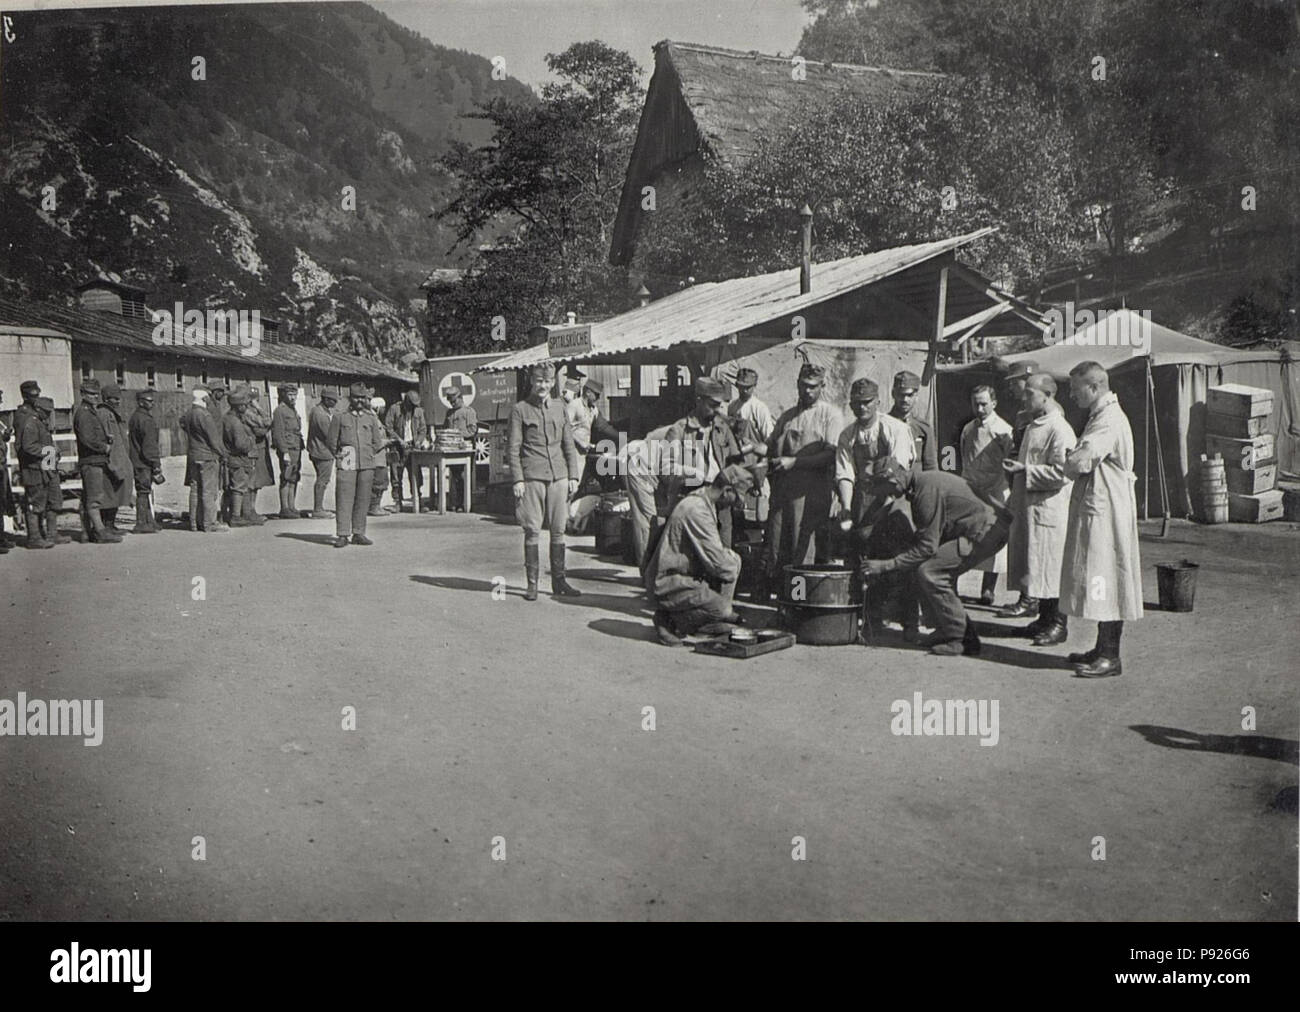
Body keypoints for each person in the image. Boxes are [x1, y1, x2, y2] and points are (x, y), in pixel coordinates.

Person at [860, 460, 1011, 656]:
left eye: (880, 488)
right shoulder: (922, 484)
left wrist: (885, 565)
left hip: (986, 532)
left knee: (932, 572)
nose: (881, 495)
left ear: (893, 480)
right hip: (985, 528)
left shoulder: (925, 492)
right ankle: (946, 630)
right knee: (923, 567)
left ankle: (960, 638)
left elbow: (926, 547)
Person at [1059, 361, 1144, 678]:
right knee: (1101, 576)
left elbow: (1081, 461)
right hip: (1102, 504)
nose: (1071, 395)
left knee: (1108, 577)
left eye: (1074, 388)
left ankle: (1111, 655)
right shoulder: (1102, 416)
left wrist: (1070, 459)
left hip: (1107, 508)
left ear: (1094, 387)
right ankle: (1101, 648)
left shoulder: (1107, 419)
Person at [832, 377, 919, 638]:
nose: (862, 408)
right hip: (863, 499)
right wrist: (847, 508)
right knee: (863, 559)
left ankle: (910, 624)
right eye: (857, 403)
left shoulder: (895, 429)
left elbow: (898, 473)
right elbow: (845, 473)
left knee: (899, 563)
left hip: (895, 499)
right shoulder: (848, 435)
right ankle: (870, 620)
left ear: (878, 402)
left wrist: (882, 511)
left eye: (867, 402)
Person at [1001, 373, 1076, 646]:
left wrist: (1026, 470)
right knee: (1037, 565)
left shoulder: (1060, 429)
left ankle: (1058, 624)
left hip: (1050, 510)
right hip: (1030, 507)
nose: (1025, 397)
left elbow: (1064, 472)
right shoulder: (1033, 425)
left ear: (1048, 395)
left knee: (1052, 566)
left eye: (1030, 393)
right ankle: (1043, 619)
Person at [645, 464, 756, 646]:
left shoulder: (704, 500)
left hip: (683, 575)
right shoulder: (698, 510)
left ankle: (707, 618)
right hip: (668, 582)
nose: (734, 506)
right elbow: (721, 566)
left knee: (732, 562)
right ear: (726, 491)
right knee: (723, 606)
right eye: (735, 500)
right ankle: (667, 619)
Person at [507, 361, 582, 600]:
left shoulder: (560, 407)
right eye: (539, 381)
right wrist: (518, 479)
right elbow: (513, 448)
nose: (543, 386)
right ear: (532, 381)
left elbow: (568, 444)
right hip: (532, 476)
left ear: (553, 383)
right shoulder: (520, 410)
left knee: (559, 530)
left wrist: (573, 475)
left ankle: (559, 581)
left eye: (548, 381)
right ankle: (532, 585)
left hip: (559, 476)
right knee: (532, 530)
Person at [765, 362, 844, 583]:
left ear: (822, 386)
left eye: (812, 386)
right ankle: (782, 602)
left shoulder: (831, 415)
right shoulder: (788, 416)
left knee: (803, 549)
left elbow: (831, 455)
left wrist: (795, 462)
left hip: (811, 494)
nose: (807, 391)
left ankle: (802, 605)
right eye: (803, 385)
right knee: (778, 544)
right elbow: (770, 446)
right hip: (783, 492)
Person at [659, 376, 744, 548]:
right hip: (692, 502)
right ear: (699, 400)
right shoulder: (679, 430)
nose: (717, 410)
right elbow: (666, 469)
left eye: (719, 405)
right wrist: (692, 473)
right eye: (712, 405)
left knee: (722, 553)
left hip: (721, 503)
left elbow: (736, 462)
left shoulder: (723, 429)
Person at [959, 385, 1014, 606]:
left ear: (994, 403)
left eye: (984, 403)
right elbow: (964, 456)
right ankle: (955, 587)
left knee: (993, 541)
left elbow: (1009, 463)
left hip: (996, 492)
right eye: (976, 404)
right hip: (972, 489)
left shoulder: (1003, 430)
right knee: (968, 536)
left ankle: (988, 590)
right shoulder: (967, 429)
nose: (980, 408)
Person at [995, 359, 1041, 619]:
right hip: (1019, 484)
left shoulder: (1043, 415)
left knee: (1033, 543)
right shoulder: (1022, 415)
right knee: (1022, 543)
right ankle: (1027, 595)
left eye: (1015, 383)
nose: (1012, 389)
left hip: (1035, 484)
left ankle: (1031, 598)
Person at [327, 382, 389, 547]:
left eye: (363, 398)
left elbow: (377, 442)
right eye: (356, 397)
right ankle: (342, 534)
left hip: (367, 462)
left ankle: (359, 532)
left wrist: (367, 452)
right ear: (350, 398)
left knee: (363, 498)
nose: (360, 401)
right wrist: (339, 454)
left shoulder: (370, 418)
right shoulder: (340, 417)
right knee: (344, 498)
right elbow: (331, 441)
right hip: (347, 459)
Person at [72, 378, 121, 544]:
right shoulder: (85, 413)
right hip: (92, 460)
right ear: (83, 394)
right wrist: (104, 447)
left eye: (96, 394)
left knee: (88, 497)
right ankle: (100, 532)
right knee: (95, 498)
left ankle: (86, 533)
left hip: (93, 460)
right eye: (91, 394)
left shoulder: (89, 412)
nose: (95, 397)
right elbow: (87, 439)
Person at [17, 397, 64, 549]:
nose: (49, 415)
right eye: (46, 412)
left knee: (53, 500)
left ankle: (51, 533)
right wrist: (50, 450)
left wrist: (54, 454)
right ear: (38, 409)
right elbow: (29, 447)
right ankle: (34, 538)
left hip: (46, 468)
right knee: (35, 504)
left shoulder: (41, 423)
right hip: (34, 470)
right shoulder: (31, 423)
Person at [623, 424, 670, 570]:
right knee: (648, 519)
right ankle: (647, 571)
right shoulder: (684, 430)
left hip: (651, 462)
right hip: (639, 463)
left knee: (657, 517)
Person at [180, 386, 227, 533]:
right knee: (208, 490)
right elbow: (213, 439)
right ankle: (209, 523)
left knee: (195, 490)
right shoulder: (204, 415)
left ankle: (194, 523)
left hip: (193, 455)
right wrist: (223, 453)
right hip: (207, 456)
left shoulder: (188, 414)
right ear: (205, 398)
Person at [222, 388, 264, 528]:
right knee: (239, 488)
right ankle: (235, 517)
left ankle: (243, 515)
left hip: (235, 458)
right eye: (245, 405)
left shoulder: (228, 418)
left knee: (240, 487)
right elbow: (241, 445)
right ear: (239, 406)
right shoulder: (235, 422)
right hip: (238, 458)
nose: (246, 407)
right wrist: (251, 441)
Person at [96, 384, 134, 535]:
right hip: (111, 462)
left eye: (119, 399)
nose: (117, 402)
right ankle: (106, 525)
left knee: (116, 493)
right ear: (106, 399)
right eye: (114, 399)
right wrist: (114, 463)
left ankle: (111, 524)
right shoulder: (105, 414)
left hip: (119, 459)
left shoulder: (113, 414)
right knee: (109, 494)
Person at [385, 390, 429, 511]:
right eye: (411, 405)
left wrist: (419, 441)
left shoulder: (419, 412)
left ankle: (417, 500)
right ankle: (398, 502)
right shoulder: (394, 409)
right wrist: (399, 440)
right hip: (397, 448)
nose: (413, 408)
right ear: (406, 402)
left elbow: (423, 429)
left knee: (415, 474)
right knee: (396, 475)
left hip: (412, 448)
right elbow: (388, 427)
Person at [128, 390, 163, 534]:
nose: (152, 403)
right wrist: (156, 464)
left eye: (152, 401)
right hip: (144, 462)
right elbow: (149, 446)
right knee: (143, 491)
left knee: (145, 490)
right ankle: (141, 523)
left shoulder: (136, 417)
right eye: (149, 401)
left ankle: (149, 521)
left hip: (138, 460)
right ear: (141, 402)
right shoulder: (145, 420)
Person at [889, 370, 937, 472]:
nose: (905, 399)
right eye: (900, 395)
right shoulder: (883, 425)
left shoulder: (924, 428)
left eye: (909, 395)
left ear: (916, 397)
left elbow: (930, 466)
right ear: (893, 394)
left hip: (916, 485)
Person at [270, 384, 305, 519]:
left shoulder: (293, 410)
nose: (292, 398)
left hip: (296, 447)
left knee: (294, 477)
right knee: (286, 477)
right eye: (290, 395)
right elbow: (278, 433)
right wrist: (284, 452)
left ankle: (292, 506)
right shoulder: (280, 411)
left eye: (294, 395)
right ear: (284, 395)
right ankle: (284, 508)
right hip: (288, 448)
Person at [244, 386, 274, 524]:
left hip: (260, 448)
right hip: (252, 449)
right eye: (253, 400)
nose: (255, 402)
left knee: (257, 483)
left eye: (257, 399)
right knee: (251, 483)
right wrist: (265, 427)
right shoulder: (248, 413)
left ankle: (252, 510)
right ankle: (248, 512)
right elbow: (265, 425)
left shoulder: (254, 412)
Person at [443, 387, 476, 510]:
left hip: (464, 449)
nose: (452, 403)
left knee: (464, 476)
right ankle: (455, 502)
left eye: (454, 401)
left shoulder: (469, 412)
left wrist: (459, 434)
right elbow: (445, 428)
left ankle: (464, 503)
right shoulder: (449, 413)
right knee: (454, 476)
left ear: (460, 398)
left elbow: (472, 430)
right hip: (452, 449)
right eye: (450, 402)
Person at [307, 388, 337, 519]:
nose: (335, 403)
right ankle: (318, 509)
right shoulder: (320, 415)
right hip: (323, 451)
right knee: (323, 480)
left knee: (322, 479)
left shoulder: (317, 410)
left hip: (317, 449)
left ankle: (318, 508)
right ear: (325, 399)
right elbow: (330, 435)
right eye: (332, 400)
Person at [368, 395, 398, 516]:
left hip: (380, 456)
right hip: (377, 457)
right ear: (378, 408)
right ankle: (374, 507)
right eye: (383, 408)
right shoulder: (372, 419)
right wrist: (388, 442)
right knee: (379, 483)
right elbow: (373, 440)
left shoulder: (375, 418)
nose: (384, 410)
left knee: (380, 482)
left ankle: (375, 506)